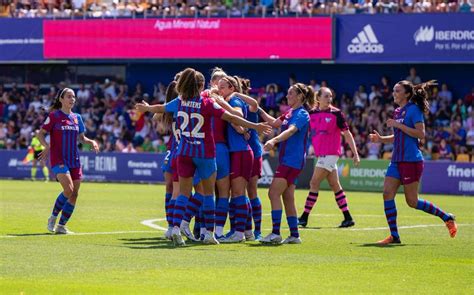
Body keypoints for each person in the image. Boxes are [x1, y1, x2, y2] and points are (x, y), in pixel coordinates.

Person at [135, 68, 271, 246]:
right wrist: (254, 126)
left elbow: (161, 107)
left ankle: (175, 228)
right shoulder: (206, 103)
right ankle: (209, 233)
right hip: (204, 153)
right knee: (208, 194)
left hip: (184, 152)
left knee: (184, 193)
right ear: (200, 86)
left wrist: (146, 108)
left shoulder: (180, 101)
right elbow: (231, 117)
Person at [369, 80, 457, 245]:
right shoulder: (397, 111)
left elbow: (420, 134)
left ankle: (446, 217)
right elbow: (398, 137)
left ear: (407, 94)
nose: (394, 93)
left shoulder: (414, 110)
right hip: (396, 160)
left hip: (411, 161)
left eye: (397, 91)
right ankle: (394, 236)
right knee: (387, 193)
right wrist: (381, 139)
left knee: (412, 202)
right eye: (394, 90)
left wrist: (397, 125)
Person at [37, 88, 99, 234]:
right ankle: (52, 217)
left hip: (74, 159)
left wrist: (92, 142)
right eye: (69, 96)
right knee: (68, 189)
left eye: (74, 97)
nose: (72, 99)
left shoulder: (77, 117)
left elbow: (82, 139)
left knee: (75, 193)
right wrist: (46, 146)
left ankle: (61, 226)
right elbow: (40, 134)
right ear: (61, 99)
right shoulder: (54, 116)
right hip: (59, 158)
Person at [258, 83, 313, 244]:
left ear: (300, 96)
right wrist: (258, 109)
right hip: (289, 160)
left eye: (290, 94)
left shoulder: (302, 114)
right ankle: (294, 235)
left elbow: (290, 131)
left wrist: (274, 140)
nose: (287, 96)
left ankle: (275, 233)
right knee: (288, 197)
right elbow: (275, 122)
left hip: (292, 160)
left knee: (273, 193)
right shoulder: (290, 112)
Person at [298, 87, 360, 228]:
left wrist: (355, 154)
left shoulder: (336, 114)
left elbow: (348, 134)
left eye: (330, 96)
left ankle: (304, 217)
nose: (329, 99)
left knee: (314, 183)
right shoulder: (311, 114)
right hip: (322, 155)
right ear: (318, 98)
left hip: (331, 154)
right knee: (334, 185)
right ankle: (348, 218)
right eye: (326, 96)